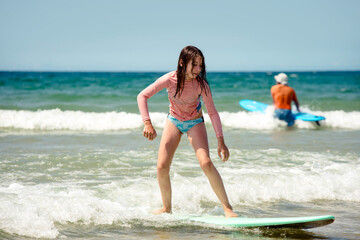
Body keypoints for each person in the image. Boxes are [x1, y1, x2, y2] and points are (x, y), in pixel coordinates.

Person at [137, 46, 237, 218]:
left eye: (200, 65)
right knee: (161, 167)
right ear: (182, 63)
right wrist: (147, 123)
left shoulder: (201, 85)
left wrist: (221, 141)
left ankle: (227, 208)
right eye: (194, 65)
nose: (198, 69)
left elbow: (212, 112)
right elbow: (142, 96)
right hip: (174, 121)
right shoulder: (170, 79)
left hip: (195, 122)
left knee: (205, 163)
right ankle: (166, 208)